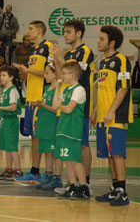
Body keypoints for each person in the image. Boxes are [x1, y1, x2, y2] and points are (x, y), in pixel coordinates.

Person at [51, 19, 95, 194]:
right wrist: (57, 60)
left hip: (79, 105)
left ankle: (86, 182)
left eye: (69, 31)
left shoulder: (85, 51)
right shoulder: (69, 53)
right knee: (69, 143)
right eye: (64, 32)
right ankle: (74, 183)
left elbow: (80, 76)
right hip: (67, 99)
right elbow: (61, 73)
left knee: (82, 144)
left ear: (79, 33)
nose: (65, 35)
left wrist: (61, 59)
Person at [92, 26, 133, 206]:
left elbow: (123, 87)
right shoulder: (102, 62)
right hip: (102, 116)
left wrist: (111, 111)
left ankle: (122, 192)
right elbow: (102, 90)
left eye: (102, 39)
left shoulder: (121, 60)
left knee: (117, 154)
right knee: (109, 154)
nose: (98, 42)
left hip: (115, 116)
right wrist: (95, 110)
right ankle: (115, 188)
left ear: (112, 42)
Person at [13, 21, 53, 183]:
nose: (27, 32)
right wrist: (25, 74)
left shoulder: (48, 47)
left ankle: (38, 171)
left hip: (42, 97)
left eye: (30, 29)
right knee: (33, 136)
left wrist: (29, 70)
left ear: (40, 30)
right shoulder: (34, 49)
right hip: (31, 97)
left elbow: (51, 72)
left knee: (40, 135)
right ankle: (35, 170)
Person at [53, 62, 89, 200]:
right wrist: (57, 87)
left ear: (72, 74)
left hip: (72, 129)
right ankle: (73, 185)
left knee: (74, 160)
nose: (61, 76)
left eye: (64, 73)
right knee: (66, 159)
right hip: (62, 128)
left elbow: (68, 109)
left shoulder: (79, 90)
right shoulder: (65, 89)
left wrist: (61, 105)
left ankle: (84, 187)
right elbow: (56, 105)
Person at [0, 65, 23, 179]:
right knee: (7, 147)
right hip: (5, 121)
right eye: (0, 76)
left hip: (11, 121)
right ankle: (9, 168)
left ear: (11, 77)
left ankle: (18, 169)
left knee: (12, 146)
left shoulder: (12, 90)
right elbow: (6, 106)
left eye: (4, 75)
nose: (1, 78)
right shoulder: (5, 91)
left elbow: (13, 107)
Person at [32, 64, 60, 190]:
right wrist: (40, 105)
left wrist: (41, 104)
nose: (45, 75)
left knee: (52, 151)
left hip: (51, 124)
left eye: (47, 73)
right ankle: (48, 174)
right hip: (43, 123)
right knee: (46, 152)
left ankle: (55, 176)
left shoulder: (58, 89)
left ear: (55, 74)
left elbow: (56, 109)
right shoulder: (47, 88)